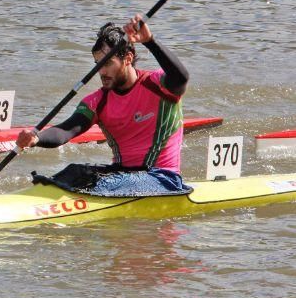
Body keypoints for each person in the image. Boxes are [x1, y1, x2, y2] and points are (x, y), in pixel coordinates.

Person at [15, 15, 189, 186]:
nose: (102, 72)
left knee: (104, 182)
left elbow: (181, 78)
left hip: (162, 178)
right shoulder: (98, 101)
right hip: (121, 175)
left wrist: (150, 41)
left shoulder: (158, 85)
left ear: (128, 58)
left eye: (107, 63)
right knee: (74, 172)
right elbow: (66, 130)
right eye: (98, 64)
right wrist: (36, 138)